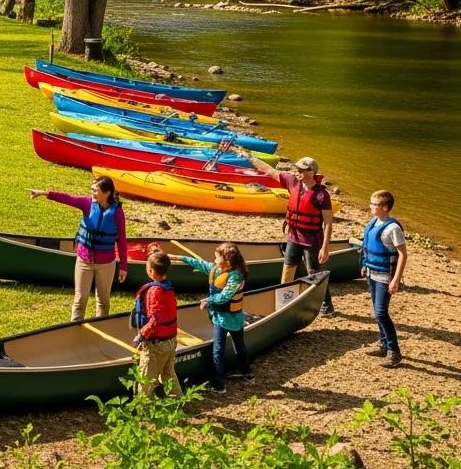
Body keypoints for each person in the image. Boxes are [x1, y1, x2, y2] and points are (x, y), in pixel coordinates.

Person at [245, 153, 335, 317]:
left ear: (311, 172)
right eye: (298, 168)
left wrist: (325, 247)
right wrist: (249, 157)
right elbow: (270, 170)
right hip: (294, 236)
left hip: (312, 240)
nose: (298, 171)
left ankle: (326, 305)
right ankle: (283, 301)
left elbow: (328, 222)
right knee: (288, 267)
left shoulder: (321, 195)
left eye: (302, 169)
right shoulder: (292, 182)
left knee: (314, 272)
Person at [30, 176, 129, 321]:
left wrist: (124, 267)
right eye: (92, 190)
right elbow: (68, 199)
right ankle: (74, 331)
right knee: (80, 300)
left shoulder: (117, 213)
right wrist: (45, 193)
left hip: (106, 264)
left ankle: (100, 330)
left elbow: (121, 240)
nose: (92, 193)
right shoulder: (87, 204)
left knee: (103, 302)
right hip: (84, 261)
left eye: (95, 190)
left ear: (107, 193)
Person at [173, 243, 252, 394]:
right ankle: (245, 373)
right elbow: (200, 263)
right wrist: (179, 257)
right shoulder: (217, 269)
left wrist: (208, 300)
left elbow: (225, 296)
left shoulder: (236, 277)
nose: (214, 260)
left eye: (217, 257)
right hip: (224, 317)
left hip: (229, 318)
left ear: (228, 262)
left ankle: (219, 385)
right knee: (235, 345)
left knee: (221, 349)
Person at [361, 190, 408, 368]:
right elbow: (367, 246)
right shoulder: (373, 222)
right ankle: (383, 345)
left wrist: (396, 279)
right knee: (377, 310)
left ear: (385, 207)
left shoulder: (393, 228)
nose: (371, 206)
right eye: (371, 203)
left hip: (384, 277)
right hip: (372, 273)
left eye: (374, 204)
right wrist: (365, 265)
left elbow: (403, 254)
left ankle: (394, 352)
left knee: (381, 312)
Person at [131, 250, 182, 397]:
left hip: (156, 343)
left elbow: (155, 318)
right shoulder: (168, 287)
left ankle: (142, 409)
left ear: (151, 271)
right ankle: (178, 400)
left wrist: (141, 335)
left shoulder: (154, 291)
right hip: (171, 340)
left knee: (145, 378)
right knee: (168, 373)